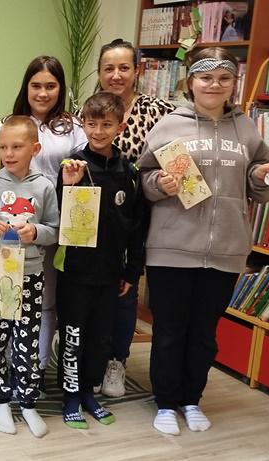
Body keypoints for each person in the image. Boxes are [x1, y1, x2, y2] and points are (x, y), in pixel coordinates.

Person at [137, 47, 269, 435]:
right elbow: (143, 178)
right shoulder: (169, 126)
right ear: (191, 81)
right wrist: (159, 183)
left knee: (204, 334)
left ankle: (192, 400)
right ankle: (165, 403)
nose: (214, 85)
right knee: (169, 331)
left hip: (226, 249)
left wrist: (262, 176)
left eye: (224, 78)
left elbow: (256, 183)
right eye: (206, 77)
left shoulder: (246, 128)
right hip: (172, 249)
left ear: (233, 83)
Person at [0, 56, 86, 388]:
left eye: (51, 86)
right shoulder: (9, 124)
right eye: (36, 85)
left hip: (51, 223)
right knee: (7, 296)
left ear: (61, 89)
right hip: (11, 231)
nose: (43, 93)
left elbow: (86, 168)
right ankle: (11, 362)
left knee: (44, 299)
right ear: (26, 87)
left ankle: (35, 366)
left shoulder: (72, 127)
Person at [54, 92, 147, 430]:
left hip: (111, 273)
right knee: (73, 335)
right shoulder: (73, 166)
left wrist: (131, 271)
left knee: (100, 338)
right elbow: (59, 216)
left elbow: (137, 227)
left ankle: (88, 392)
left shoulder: (129, 172)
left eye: (106, 124)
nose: (98, 131)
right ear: (83, 124)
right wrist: (68, 186)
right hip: (75, 271)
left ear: (120, 126)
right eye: (91, 124)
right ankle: (70, 396)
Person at [0, 116, 59, 438]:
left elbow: (54, 230)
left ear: (35, 149)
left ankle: (28, 402)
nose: (8, 153)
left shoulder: (44, 186)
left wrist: (36, 231)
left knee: (27, 341)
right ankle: (1, 401)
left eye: (17, 146)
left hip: (30, 275)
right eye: (3, 146)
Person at [92, 38, 175, 398]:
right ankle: (92, 357)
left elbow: (177, 156)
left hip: (140, 216)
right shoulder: (90, 109)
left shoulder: (158, 111)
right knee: (95, 295)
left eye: (123, 67)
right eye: (108, 68)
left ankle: (117, 361)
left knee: (125, 290)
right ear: (99, 72)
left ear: (137, 70)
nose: (116, 75)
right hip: (94, 220)